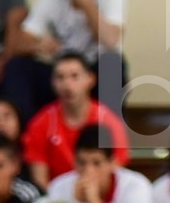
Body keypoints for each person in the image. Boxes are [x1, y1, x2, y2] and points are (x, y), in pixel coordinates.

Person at [9, 0, 126, 112]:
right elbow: (18, 44)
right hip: (60, 72)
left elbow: (111, 41)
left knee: (114, 63)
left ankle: (108, 128)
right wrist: (37, 46)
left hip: (93, 70)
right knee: (17, 66)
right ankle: (26, 127)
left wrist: (86, 3)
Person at [21, 53, 129, 186]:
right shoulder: (40, 124)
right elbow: (40, 182)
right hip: (56, 196)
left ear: (90, 79)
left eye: (74, 76)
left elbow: (115, 175)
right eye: (60, 77)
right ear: (52, 82)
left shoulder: (109, 123)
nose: (67, 85)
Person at [47, 132, 153, 203]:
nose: (88, 171)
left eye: (97, 163)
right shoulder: (59, 187)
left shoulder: (136, 186)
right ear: (74, 162)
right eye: (82, 163)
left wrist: (94, 202)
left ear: (112, 162)